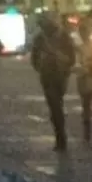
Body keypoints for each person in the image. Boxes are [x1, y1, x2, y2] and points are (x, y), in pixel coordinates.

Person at [28, 14, 76, 151]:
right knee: (57, 105)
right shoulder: (63, 36)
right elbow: (71, 58)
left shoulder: (40, 39)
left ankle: (60, 137)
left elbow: (34, 59)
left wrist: (41, 67)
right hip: (59, 75)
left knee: (55, 106)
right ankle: (61, 136)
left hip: (49, 75)